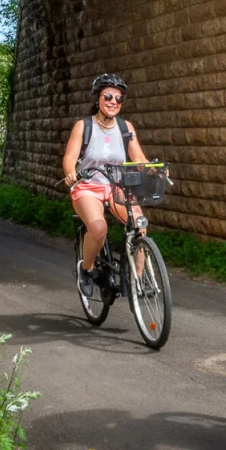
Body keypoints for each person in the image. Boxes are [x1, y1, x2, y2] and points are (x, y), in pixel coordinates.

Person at [63, 73, 149, 300]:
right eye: (108, 96)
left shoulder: (125, 127)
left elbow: (138, 157)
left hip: (116, 185)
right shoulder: (84, 126)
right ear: (98, 99)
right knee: (99, 228)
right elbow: (70, 158)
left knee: (139, 224)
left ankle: (137, 282)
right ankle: (87, 269)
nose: (113, 102)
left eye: (118, 99)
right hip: (88, 186)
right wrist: (71, 173)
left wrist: (151, 168)